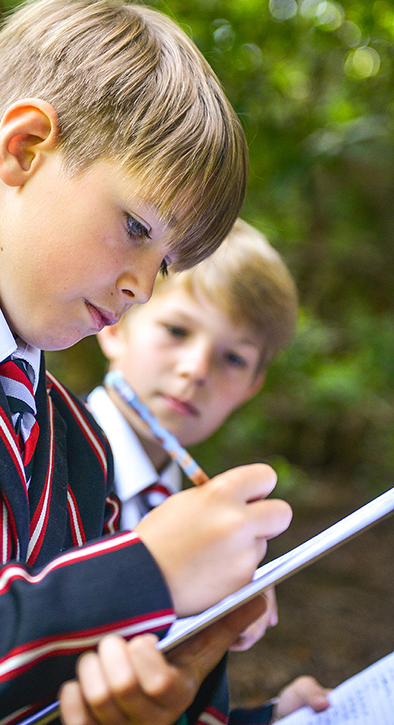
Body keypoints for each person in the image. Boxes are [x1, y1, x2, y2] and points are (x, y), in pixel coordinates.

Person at [0, 0, 293, 725]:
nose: (142, 287)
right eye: (138, 229)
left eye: (168, 265)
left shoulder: (77, 445)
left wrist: (189, 649)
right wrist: (141, 572)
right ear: (23, 148)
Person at [86, 219, 330, 723]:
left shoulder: (196, 514)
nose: (196, 368)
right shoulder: (39, 462)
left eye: (233, 358)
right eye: (176, 330)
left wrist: (264, 718)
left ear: (252, 386)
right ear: (115, 323)